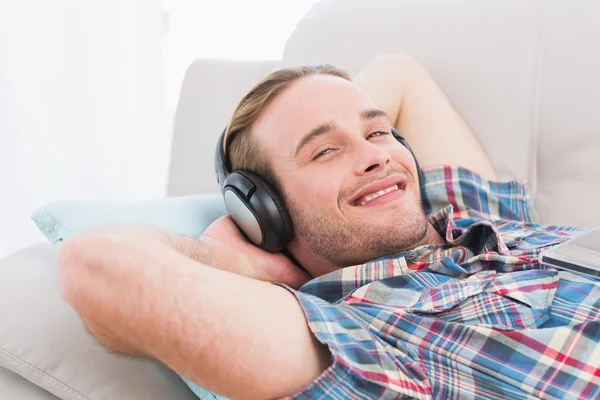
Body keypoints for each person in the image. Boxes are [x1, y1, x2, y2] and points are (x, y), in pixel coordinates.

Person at [56, 55, 599, 400]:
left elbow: (400, 71)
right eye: (324, 152)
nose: (374, 157)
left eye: (381, 133)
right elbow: (97, 265)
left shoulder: (472, 222)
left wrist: (320, 103)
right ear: (267, 211)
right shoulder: (357, 332)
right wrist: (234, 260)